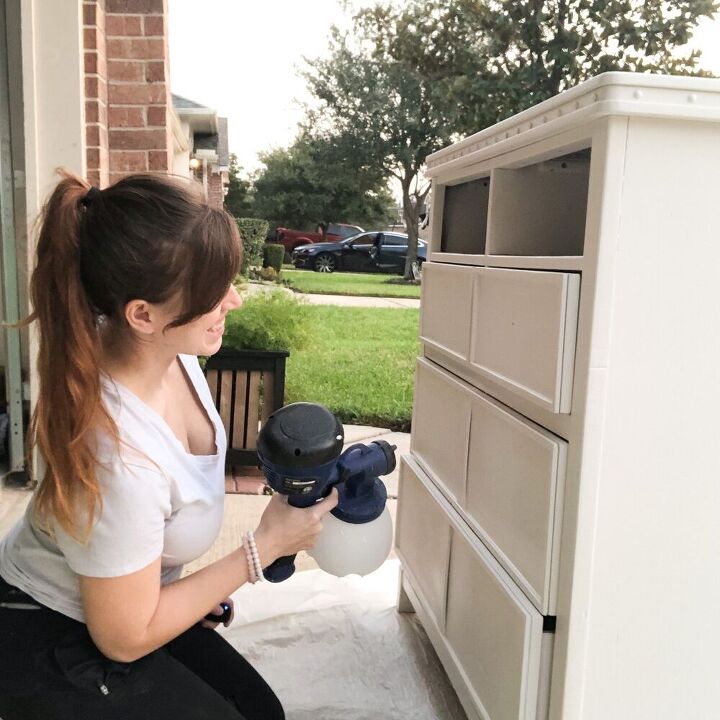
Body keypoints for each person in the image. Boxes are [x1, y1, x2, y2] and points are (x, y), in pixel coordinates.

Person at [0, 170, 338, 720]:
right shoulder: (116, 454)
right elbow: (126, 638)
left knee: (259, 711)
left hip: (114, 604)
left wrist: (191, 594)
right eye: (212, 294)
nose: (235, 300)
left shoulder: (175, 358)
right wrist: (264, 548)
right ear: (142, 314)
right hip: (48, 630)